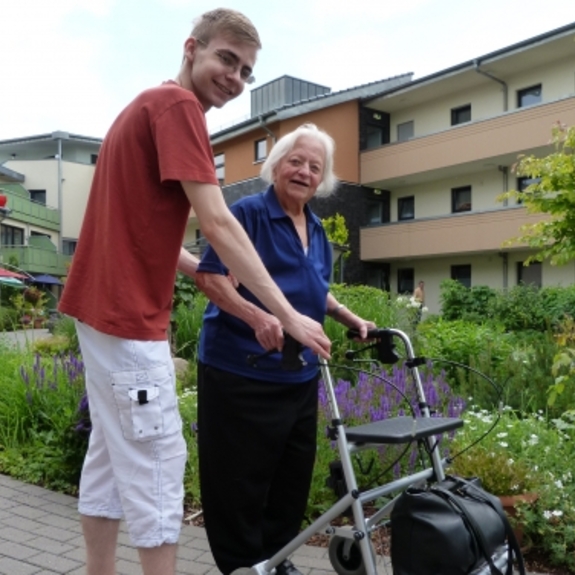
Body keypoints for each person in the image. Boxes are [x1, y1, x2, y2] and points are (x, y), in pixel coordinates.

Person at [58, 10, 331, 575]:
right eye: (226, 59)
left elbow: (154, 242)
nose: (234, 77)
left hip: (99, 310)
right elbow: (219, 225)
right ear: (192, 49)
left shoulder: (150, 106)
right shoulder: (180, 109)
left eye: (246, 70)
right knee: (159, 465)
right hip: (128, 319)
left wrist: (254, 312)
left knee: (108, 461)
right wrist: (287, 315)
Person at [194, 123, 375, 575]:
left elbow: (316, 289)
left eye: (315, 167)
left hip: (297, 375)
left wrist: (347, 316)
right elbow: (211, 277)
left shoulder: (314, 227)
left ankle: (275, 559)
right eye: (296, 161)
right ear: (276, 166)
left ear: (323, 180)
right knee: (240, 482)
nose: (304, 171)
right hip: (240, 371)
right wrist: (256, 316)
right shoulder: (249, 213)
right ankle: (242, 566)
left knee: (290, 479)